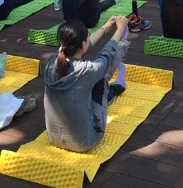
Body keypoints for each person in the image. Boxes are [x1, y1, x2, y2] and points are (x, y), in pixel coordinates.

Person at [44, 16, 129, 153]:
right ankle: (118, 86)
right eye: (87, 37)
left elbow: (80, 46)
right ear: (83, 43)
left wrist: (104, 28)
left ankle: (117, 87)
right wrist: (119, 30)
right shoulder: (89, 70)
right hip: (86, 141)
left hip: (54, 139)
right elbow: (107, 54)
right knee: (101, 80)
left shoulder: (51, 62)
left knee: (86, 86)